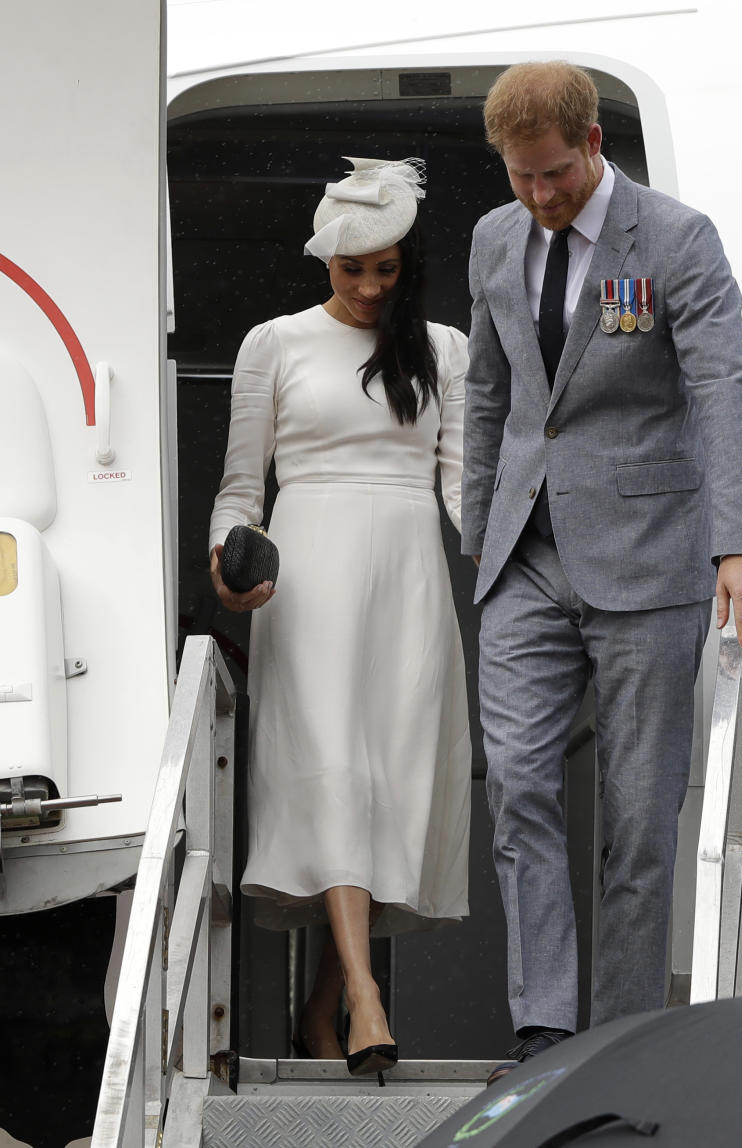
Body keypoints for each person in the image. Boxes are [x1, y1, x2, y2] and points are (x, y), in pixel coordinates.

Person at [460, 63, 742, 1081]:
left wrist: (741, 542)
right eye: (520, 178)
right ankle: (547, 1029)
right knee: (516, 785)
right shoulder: (493, 238)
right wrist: (479, 528)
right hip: (526, 556)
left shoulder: (677, 239)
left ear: (593, 143)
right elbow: (487, 392)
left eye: (552, 174)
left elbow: (724, 385)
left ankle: (623, 1038)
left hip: (648, 558)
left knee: (639, 818)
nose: (539, 196)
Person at [209, 157, 471, 1076]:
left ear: (409, 265)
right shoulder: (271, 342)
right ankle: (365, 998)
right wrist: (227, 564)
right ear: (325, 261)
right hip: (305, 572)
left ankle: (318, 1013)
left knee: (385, 783)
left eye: (385, 269)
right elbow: (240, 489)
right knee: (333, 772)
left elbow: (464, 490)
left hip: (409, 578)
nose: (367, 287)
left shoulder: (442, 348)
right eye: (350, 268)